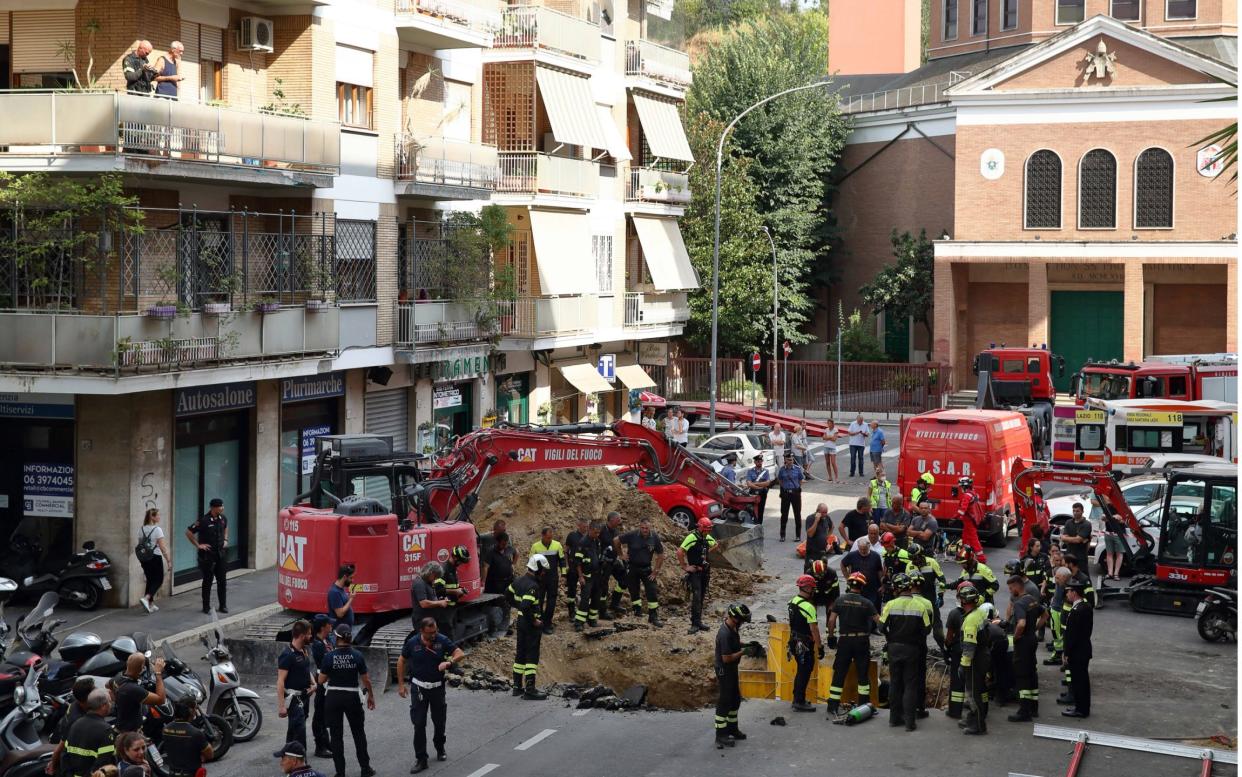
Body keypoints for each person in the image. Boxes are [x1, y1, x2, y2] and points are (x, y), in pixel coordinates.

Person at [397, 617, 466, 773]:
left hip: (437, 689)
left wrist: (448, 663)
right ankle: (421, 759)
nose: (433, 635)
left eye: (435, 631)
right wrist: (401, 685)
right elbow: (401, 661)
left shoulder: (441, 640)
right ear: (422, 631)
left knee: (439, 721)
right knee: (419, 724)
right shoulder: (412, 643)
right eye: (430, 633)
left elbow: (460, 653)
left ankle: (440, 747)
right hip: (419, 689)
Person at [316, 624, 376, 777]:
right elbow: (366, 680)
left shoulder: (329, 656)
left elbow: (321, 680)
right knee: (358, 733)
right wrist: (371, 696)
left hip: (334, 697)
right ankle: (365, 768)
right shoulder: (357, 655)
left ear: (337, 638)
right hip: (352, 697)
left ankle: (340, 772)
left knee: (336, 736)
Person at [880, 573, 932, 731]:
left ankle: (894, 719)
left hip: (894, 648)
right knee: (910, 684)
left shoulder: (890, 604)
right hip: (912, 649)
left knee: (895, 683)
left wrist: (891, 638)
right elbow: (927, 629)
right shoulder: (920, 606)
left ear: (897, 588)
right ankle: (910, 723)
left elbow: (881, 627)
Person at [825, 572, 879, 716]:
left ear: (849, 585)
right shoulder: (867, 603)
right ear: (862, 586)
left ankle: (833, 706)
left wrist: (831, 636)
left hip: (845, 641)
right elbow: (879, 621)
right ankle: (864, 706)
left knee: (839, 673)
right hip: (861, 642)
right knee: (862, 675)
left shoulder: (840, 600)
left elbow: (831, 621)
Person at [508, 556, 551, 700]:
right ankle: (530, 690)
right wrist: (534, 621)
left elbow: (507, 595)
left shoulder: (518, 581)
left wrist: (518, 606)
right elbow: (526, 605)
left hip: (521, 622)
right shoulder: (533, 586)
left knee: (520, 652)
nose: (544, 573)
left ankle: (517, 687)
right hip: (530, 625)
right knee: (532, 655)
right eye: (543, 570)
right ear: (537, 568)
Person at [276, 619, 316, 755]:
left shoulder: (304, 650)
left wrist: (314, 684)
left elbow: (306, 669)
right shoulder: (287, 655)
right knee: (300, 730)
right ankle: (301, 761)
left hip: (305, 697)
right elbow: (280, 681)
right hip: (294, 700)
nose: (311, 636)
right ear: (302, 635)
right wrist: (281, 706)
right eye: (309, 634)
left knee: (294, 728)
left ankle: (288, 756)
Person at [1006, 575, 1043, 722]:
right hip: (1032, 640)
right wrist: (1034, 629)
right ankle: (1033, 708)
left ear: (1016, 586)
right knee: (1032, 672)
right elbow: (1045, 614)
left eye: (1010, 589)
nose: (1010, 592)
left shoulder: (1020, 603)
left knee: (1022, 676)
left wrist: (1015, 637)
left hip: (1023, 643)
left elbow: (1021, 623)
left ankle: (1023, 711)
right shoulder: (1032, 599)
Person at [713, 604, 750, 749]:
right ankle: (721, 734)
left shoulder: (733, 628)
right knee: (725, 701)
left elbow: (735, 642)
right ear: (735, 618)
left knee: (735, 700)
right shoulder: (724, 634)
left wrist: (745, 644)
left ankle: (732, 728)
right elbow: (726, 658)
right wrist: (744, 652)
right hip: (725, 669)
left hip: (732, 668)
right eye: (741, 619)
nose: (742, 622)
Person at [957, 585, 991, 735]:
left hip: (974, 661)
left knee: (973, 694)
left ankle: (977, 725)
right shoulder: (980, 613)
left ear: (964, 601)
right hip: (984, 655)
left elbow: (969, 647)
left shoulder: (970, 620)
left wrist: (963, 666)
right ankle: (973, 719)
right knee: (979, 690)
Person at [186, 497, 229, 614]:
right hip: (208, 556)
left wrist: (225, 539)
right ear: (213, 508)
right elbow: (189, 532)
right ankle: (206, 606)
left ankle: (223, 605)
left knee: (222, 581)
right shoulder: (204, 521)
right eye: (221, 506)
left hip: (221, 554)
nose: (223, 508)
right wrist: (198, 545)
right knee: (207, 581)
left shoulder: (223, 518)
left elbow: (226, 528)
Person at [619, 518, 664, 626]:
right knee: (634, 590)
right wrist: (621, 554)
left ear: (650, 527)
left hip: (647, 568)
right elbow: (616, 540)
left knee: (652, 591)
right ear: (640, 527)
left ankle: (653, 616)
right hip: (632, 567)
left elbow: (661, 555)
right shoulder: (632, 534)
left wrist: (655, 572)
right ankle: (637, 611)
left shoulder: (654, 537)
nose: (644, 530)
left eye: (646, 528)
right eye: (642, 528)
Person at [787, 575, 822, 712]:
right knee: (805, 670)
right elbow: (814, 629)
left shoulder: (792, 602)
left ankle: (797, 698)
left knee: (801, 670)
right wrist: (820, 646)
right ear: (807, 588)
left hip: (794, 641)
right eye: (812, 588)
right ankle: (799, 701)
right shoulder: (809, 607)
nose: (813, 591)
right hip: (804, 644)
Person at [49, 677, 96, 777]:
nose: (97, 691)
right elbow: (60, 747)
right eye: (94, 690)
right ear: (87, 697)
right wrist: (52, 765)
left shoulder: (76, 703)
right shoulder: (77, 721)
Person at [678, 518, 717, 633]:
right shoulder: (692, 537)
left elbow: (715, 544)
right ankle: (694, 623)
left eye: (709, 530)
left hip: (705, 571)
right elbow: (680, 552)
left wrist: (705, 553)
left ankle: (699, 621)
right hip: (695, 572)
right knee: (696, 596)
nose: (707, 532)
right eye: (706, 529)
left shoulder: (706, 537)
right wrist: (685, 567)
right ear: (700, 527)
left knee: (701, 596)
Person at [1061, 580, 1093, 719]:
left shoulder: (1077, 610)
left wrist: (1067, 652)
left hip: (1077, 652)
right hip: (1082, 650)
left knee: (1079, 681)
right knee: (1081, 680)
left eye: (1068, 591)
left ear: (1074, 592)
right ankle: (1081, 707)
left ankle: (1081, 709)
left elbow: (1073, 635)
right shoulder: (1085, 606)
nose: (1067, 594)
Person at [111, 653, 166, 734]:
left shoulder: (119, 677)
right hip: (132, 732)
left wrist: (117, 697)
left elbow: (107, 685)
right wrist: (158, 673)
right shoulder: (133, 689)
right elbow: (161, 700)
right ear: (142, 668)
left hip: (122, 722)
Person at [64, 690, 115, 777]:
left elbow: (65, 754)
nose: (111, 705)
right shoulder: (106, 730)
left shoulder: (76, 724)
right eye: (109, 702)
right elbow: (104, 761)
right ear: (103, 706)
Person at [908, 542, 946, 650]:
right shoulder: (909, 566)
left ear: (921, 555)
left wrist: (941, 595)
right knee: (918, 631)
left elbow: (942, 580)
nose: (914, 561)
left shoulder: (932, 562)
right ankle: (920, 652)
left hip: (932, 600)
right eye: (912, 559)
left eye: (916, 558)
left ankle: (944, 651)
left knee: (938, 632)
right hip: (915, 601)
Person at [161, 699, 212, 777]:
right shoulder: (195, 733)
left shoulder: (166, 729)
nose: (196, 711)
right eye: (195, 708)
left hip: (172, 773)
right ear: (191, 711)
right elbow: (209, 754)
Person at [529, 528, 566, 634]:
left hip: (552, 578)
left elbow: (562, 560)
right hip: (539, 578)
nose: (550, 539)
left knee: (551, 601)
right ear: (542, 535)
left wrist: (563, 574)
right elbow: (531, 562)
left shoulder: (557, 545)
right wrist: (533, 576)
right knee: (538, 601)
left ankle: (548, 623)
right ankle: (539, 623)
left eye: (551, 537)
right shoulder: (535, 546)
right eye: (548, 537)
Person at [136, 508, 171, 613]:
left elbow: (140, 544)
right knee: (159, 579)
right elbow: (162, 547)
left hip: (144, 558)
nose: (159, 517)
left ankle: (150, 604)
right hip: (155, 557)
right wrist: (168, 560)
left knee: (150, 580)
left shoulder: (141, 529)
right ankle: (147, 598)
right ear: (152, 517)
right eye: (158, 515)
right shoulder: (157, 529)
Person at [308, 615, 333, 758]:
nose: (331, 626)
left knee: (326, 715)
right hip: (323, 682)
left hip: (331, 682)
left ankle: (327, 742)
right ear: (323, 627)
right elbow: (326, 662)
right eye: (329, 624)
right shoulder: (317, 645)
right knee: (319, 716)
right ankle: (320, 746)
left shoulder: (327, 640)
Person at [943, 584, 969, 719]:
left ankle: (955, 711)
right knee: (974, 682)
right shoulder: (979, 612)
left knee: (957, 681)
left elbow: (949, 636)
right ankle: (979, 711)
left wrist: (946, 648)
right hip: (974, 652)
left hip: (958, 651)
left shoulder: (954, 613)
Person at [573, 521, 605, 631]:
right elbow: (577, 562)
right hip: (587, 576)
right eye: (595, 532)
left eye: (599, 533)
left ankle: (592, 620)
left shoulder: (597, 541)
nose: (597, 534)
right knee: (585, 599)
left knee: (596, 598)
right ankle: (579, 622)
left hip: (597, 575)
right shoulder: (583, 542)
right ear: (590, 530)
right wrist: (580, 577)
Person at [481, 534, 515, 632]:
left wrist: (513, 564)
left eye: (506, 544)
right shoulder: (491, 552)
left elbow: (516, 553)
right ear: (498, 542)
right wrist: (483, 582)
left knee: (507, 605)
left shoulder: (509, 549)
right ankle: (494, 627)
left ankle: (505, 627)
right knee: (496, 605)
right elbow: (485, 567)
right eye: (502, 544)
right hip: (494, 584)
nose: (504, 546)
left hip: (507, 582)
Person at [841, 538, 883, 612]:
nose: (863, 551)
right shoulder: (852, 555)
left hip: (872, 588)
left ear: (869, 546)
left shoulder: (875, 556)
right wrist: (847, 578)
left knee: (873, 609)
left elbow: (879, 571)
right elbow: (842, 564)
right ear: (858, 547)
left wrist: (882, 585)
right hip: (857, 587)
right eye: (861, 549)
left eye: (865, 549)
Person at [1044, 566, 1071, 666]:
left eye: (1058, 578)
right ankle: (1058, 654)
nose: (1055, 580)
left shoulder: (1069, 586)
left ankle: (1060, 655)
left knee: (1061, 635)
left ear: (1065, 577)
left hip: (1061, 611)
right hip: (1055, 609)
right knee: (1056, 634)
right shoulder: (1060, 581)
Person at [954, 477, 986, 561]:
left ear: (964, 486)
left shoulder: (967, 495)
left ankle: (981, 558)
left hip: (969, 521)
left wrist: (954, 518)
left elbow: (962, 509)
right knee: (965, 538)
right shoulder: (973, 493)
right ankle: (965, 554)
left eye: (961, 486)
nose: (961, 488)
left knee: (973, 539)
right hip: (971, 520)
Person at [409, 563, 448, 631]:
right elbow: (423, 603)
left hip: (430, 620)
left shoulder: (428, 582)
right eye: (435, 577)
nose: (435, 579)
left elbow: (430, 597)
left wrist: (440, 600)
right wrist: (440, 603)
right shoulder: (419, 583)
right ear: (431, 573)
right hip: (423, 622)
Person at [564, 517, 589, 619]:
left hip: (586, 568)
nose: (586, 528)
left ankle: (584, 610)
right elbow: (566, 551)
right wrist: (566, 565)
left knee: (586, 590)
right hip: (573, 567)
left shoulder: (589, 537)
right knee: (571, 590)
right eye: (584, 526)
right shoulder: (572, 536)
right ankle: (571, 612)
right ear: (578, 526)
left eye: (587, 526)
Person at [776, 452, 804, 542]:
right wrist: (785, 488)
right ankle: (782, 535)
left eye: (791, 460)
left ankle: (798, 535)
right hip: (786, 494)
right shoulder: (782, 470)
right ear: (785, 460)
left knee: (797, 514)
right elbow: (780, 480)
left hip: (795, 494)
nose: (791, 461)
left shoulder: (797, 469)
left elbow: (800, 480)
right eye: (789, 460)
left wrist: (795, 488)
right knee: (784, 515)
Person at [1061, 502, 1092, 571]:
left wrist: (1068, 538)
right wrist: (1075, 539)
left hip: (1081, 557)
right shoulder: (1068, 522)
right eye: (1074, 511)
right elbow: (1063, 538)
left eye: (1077, 511)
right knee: (1068, 576)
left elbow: (1078, 540)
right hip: (1069, 555)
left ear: (1082, 511)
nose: (1075, 513)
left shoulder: (1087, 524)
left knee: (1083, 577)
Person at [742, 455, 773, 523]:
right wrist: (760, 486)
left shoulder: (765, 471)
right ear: (755, 462)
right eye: (758, 461)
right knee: (751, 509)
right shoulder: (750, 471)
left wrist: (755, 484)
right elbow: (749, 484)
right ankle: (751, 523)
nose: (760, 463)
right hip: (753, 492)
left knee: (761, 510)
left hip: (762, 493)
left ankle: (759, 524)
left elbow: (767, 483)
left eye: (761, 461)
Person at [1021, 484, 1052, 550]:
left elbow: (1023, 514)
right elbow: (1048, 514)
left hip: (1029, 528)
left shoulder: (1027, 501)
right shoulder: (1043, 502)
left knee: (1027, 547)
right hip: (1042, 530)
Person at [1101, 504, 1128, 581]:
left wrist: (1115, 518)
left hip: (1119, 534)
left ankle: (1116, 573)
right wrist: (1114, 517)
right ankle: (1110, 573)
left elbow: (1125, 520)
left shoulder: (1123, 506)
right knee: (1109, 553)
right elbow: (1103, 518)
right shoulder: (1108, 506)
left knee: (1119, 554)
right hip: (1108, 533)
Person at [803, 504, 832, 568]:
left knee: (822, 571)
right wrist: (816, 521)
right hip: (812, 552)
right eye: (823, 512)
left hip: (822, 551)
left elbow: (832, 527)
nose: (825, 514)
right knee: (810, 570)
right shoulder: (810, 518)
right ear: (818, 511)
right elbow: (810, 534)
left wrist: (827, 537)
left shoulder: (826, 517)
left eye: (826, 512)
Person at [327, 565, 356, 629]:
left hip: (344, 632)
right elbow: (340, 614)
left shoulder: (341, 589)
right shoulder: (334, 592)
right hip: (338, 633)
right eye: (350, 578)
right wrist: (351, 598)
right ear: (345, 577)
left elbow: (344, 605)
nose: (352, 580)